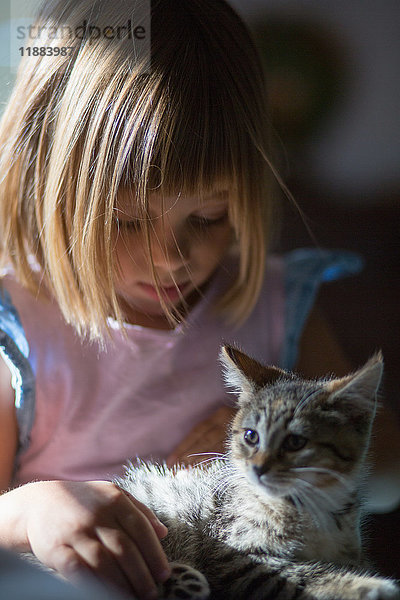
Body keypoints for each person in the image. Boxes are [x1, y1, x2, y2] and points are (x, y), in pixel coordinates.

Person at [0, 1, 399, 599]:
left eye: (209, 217)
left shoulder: (274, 306)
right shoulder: (22, 328)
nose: (170, 258)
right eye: (127, 222)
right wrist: (34, 511)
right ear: (50, 187)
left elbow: (387, 470)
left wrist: (286, 457)